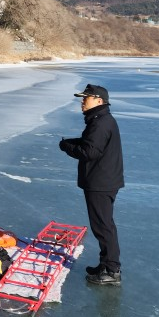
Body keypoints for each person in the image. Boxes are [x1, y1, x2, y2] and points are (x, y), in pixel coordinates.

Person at [60, 84, 125, 286]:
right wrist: (71, 142)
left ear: (98, 100)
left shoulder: (101, 122)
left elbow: (90, 152)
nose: (82, 101)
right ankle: (105, 265)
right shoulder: (100, 120)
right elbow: (91, 143)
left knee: (103, 227)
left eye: (85, 98)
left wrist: (67, 146)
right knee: (103, 225)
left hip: (101, 183)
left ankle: (112, 270)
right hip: (102, 180)